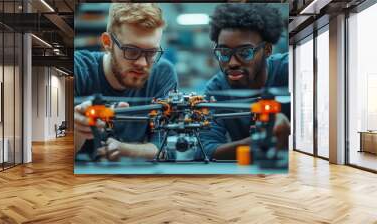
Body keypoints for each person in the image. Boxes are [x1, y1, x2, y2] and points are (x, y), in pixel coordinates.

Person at [74, 3, 178, 161]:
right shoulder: (78, 69)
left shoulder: (162, 73)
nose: (143, 63)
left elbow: (167, 148)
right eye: (131, 51)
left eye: (151, 53)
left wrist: (125, 149)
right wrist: (78, 130)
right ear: (107, 43)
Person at [200, 4, 290, 160]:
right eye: (224, 53)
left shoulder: (290, 70)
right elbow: (206, 149)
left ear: (267, 50)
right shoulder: (216, 89)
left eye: (245, 52)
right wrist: (261, 138)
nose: (232, 62)